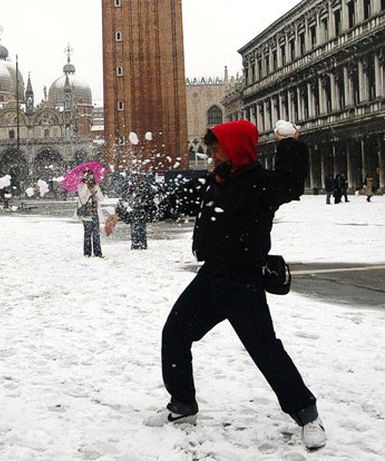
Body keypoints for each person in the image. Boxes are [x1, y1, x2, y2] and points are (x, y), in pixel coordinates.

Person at [144, 120, 326, 450]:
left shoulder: (260, 183)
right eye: (211, 149)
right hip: (210, 278)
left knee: (265, 350)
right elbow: (173, 202)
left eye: (216, 149)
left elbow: (291, 183)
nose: (211, 155)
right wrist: (132, 212)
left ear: (235, 148)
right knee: (175, 333)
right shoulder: (215, 182)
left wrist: (289, 144)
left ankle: (307, 415)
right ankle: (182, 406)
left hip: (243, 283)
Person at [77, 169, 113, 257]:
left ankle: (97, 252)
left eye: (91, 176)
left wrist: (95, 191)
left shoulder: (95, 185)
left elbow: (101, 198)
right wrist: (87, 187)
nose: (90, 178)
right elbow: (82, 197)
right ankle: (87, 253)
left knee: (96, 233)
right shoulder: (81, 186)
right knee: (87, 233)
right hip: (86, 212)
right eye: (88, 176)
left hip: (95, 211)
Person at [115, 174, 157, 250]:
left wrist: (142, 203)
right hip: (134, 210)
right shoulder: (131, 187)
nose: (136, 178)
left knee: (141, 228)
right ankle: (136, 244)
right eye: (135, 177)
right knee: (135, 228)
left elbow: (150, 197)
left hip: (141, 210)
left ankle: (141, 244)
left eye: (138, 177)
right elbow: (125, 196)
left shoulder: (144, 187)